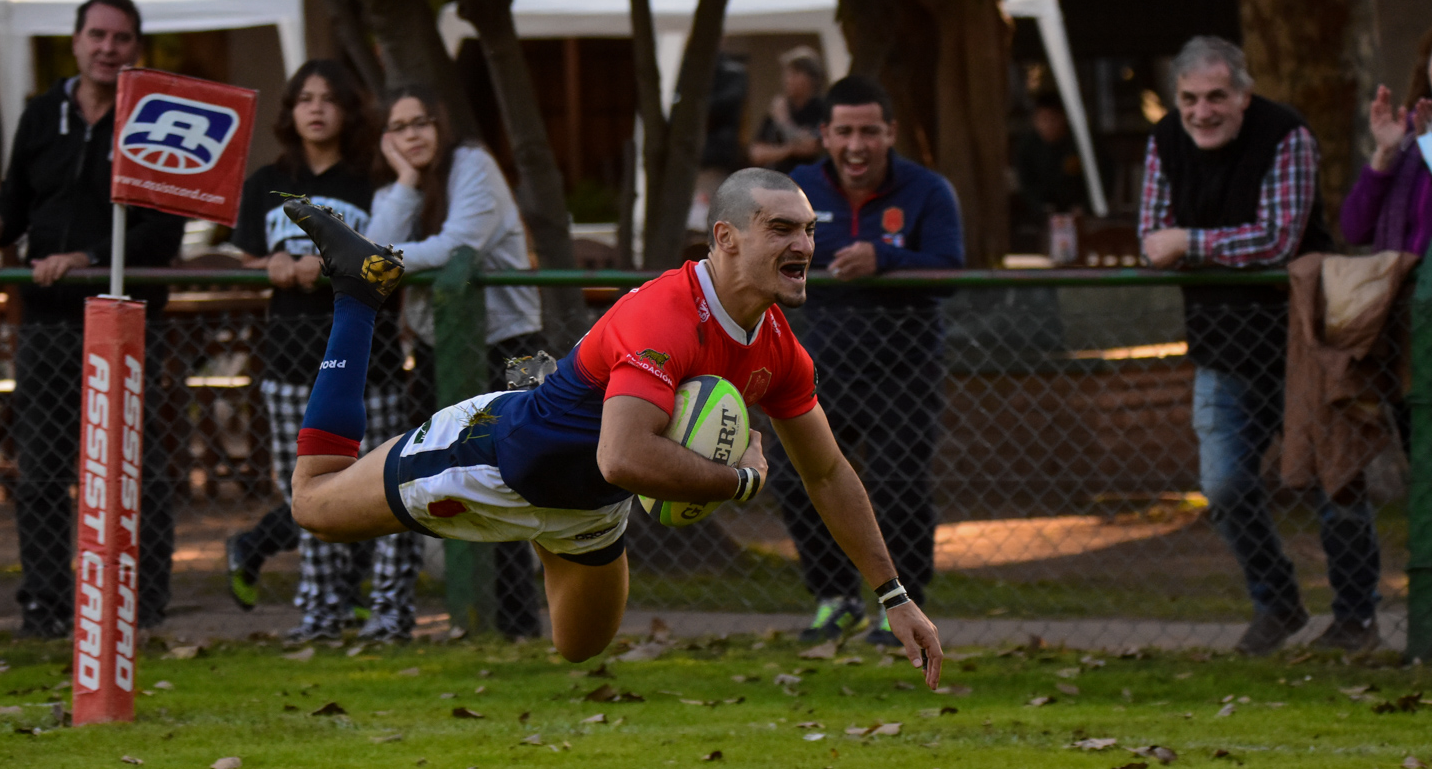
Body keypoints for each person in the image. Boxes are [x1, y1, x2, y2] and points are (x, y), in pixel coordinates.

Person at [276, 168, 944, 684]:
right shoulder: (666, 315)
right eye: (781, 229)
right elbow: (624, 457)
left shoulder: (778, 349)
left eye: (807, 231)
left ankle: (552, 424)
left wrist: (894, 595)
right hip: (488, 461)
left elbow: (827, 472)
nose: (803, 244)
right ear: (726, 238)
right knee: (313, 501)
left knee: (579, 647)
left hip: (586, 513)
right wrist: (737, 482)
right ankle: (360, 292)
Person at [1138, 35, 1381, 655]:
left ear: (1244, 95)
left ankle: (1355, 620)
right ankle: (1277, 604)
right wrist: (1181, 243)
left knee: (1338, 485)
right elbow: (1149, 238)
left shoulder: (1286, 136)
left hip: (1308, 345)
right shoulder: (1164, 141)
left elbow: (1276, 240)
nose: (1203, 111)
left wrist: (1190, 243)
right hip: (1221, 350)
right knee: (1223, 487)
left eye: (1218, 96)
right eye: (1190, 99)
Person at [0, 0, 182, 639]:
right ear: (76, 41)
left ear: (136, 48)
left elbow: (163, 233)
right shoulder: (41, 115)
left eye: (120, 38)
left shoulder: (156, 120)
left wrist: (85, 257)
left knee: (138, 468)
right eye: (97, 35)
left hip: (129, 319)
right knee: (40, 472)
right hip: (49, 321)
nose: (107, 48)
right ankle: (45, 602)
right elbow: (17, 196)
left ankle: (141, 604)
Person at [227, 59, 419, 643]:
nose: (315, 108)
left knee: (388, 487)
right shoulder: (265, 181)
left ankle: (390, 614)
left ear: (348, 110)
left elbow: (397, 253)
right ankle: (321, 616)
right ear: (290, 111)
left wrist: (336, 266)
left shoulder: (370, 181)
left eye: (328, 98)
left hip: (372, 363)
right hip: (289, 362)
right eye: (305, 98)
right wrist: (273, 264)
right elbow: (241, 257)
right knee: (309, 498)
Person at [774, 75, 964, 647]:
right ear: (825, 135)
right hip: (816, 368)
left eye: (869, 131)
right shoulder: (798, 188)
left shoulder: (928, 191)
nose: (857, 145)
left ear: (891, 133)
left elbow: (950, 268)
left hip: (904, 371)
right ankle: (834, 599)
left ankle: (899, 609)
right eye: (845, 132)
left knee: (897, 485)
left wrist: (883, 258)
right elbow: (771, 251)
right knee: (796, 480)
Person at [366, 85, 547, 640]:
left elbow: (456, 247)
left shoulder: (473, 164)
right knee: (442, 479)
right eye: (399, 127)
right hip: (436, 350)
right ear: (387, 138)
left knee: (515, 479)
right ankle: (469, 617)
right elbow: (371, 244)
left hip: (513, 348)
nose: (413, 134)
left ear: (441, 124)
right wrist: (403, 181)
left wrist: (378, 261)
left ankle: (518, 624)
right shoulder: (409, 186)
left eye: (422, 121)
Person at [1341, 13, 1432, 254]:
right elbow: (1354, 229)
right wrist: (1384, 155)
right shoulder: (1410, 138)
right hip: (1398, 287)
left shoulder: (1427, 140)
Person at [1015, 91, 1110, 215]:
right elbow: (1027, 185)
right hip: (1043, 213)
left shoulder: (1081, 142)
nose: (1048, 125)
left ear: (1063, 117)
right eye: (1043, 120)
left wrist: (1085, 206)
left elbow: (1104, 175)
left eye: (1053, 119)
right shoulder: (1027, 147)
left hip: (1081, 210)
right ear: (1035, 121)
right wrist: (1042, 207)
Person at [748, 47, 828, 174]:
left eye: (794, 73)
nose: (787, 79)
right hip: (778, 179)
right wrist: (790, 149)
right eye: (786, 73)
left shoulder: (821, 109)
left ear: (812, 78)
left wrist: (784, 122)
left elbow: (811, 147)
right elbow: (757, 153)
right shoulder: (780, 107)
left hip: (809, 180)